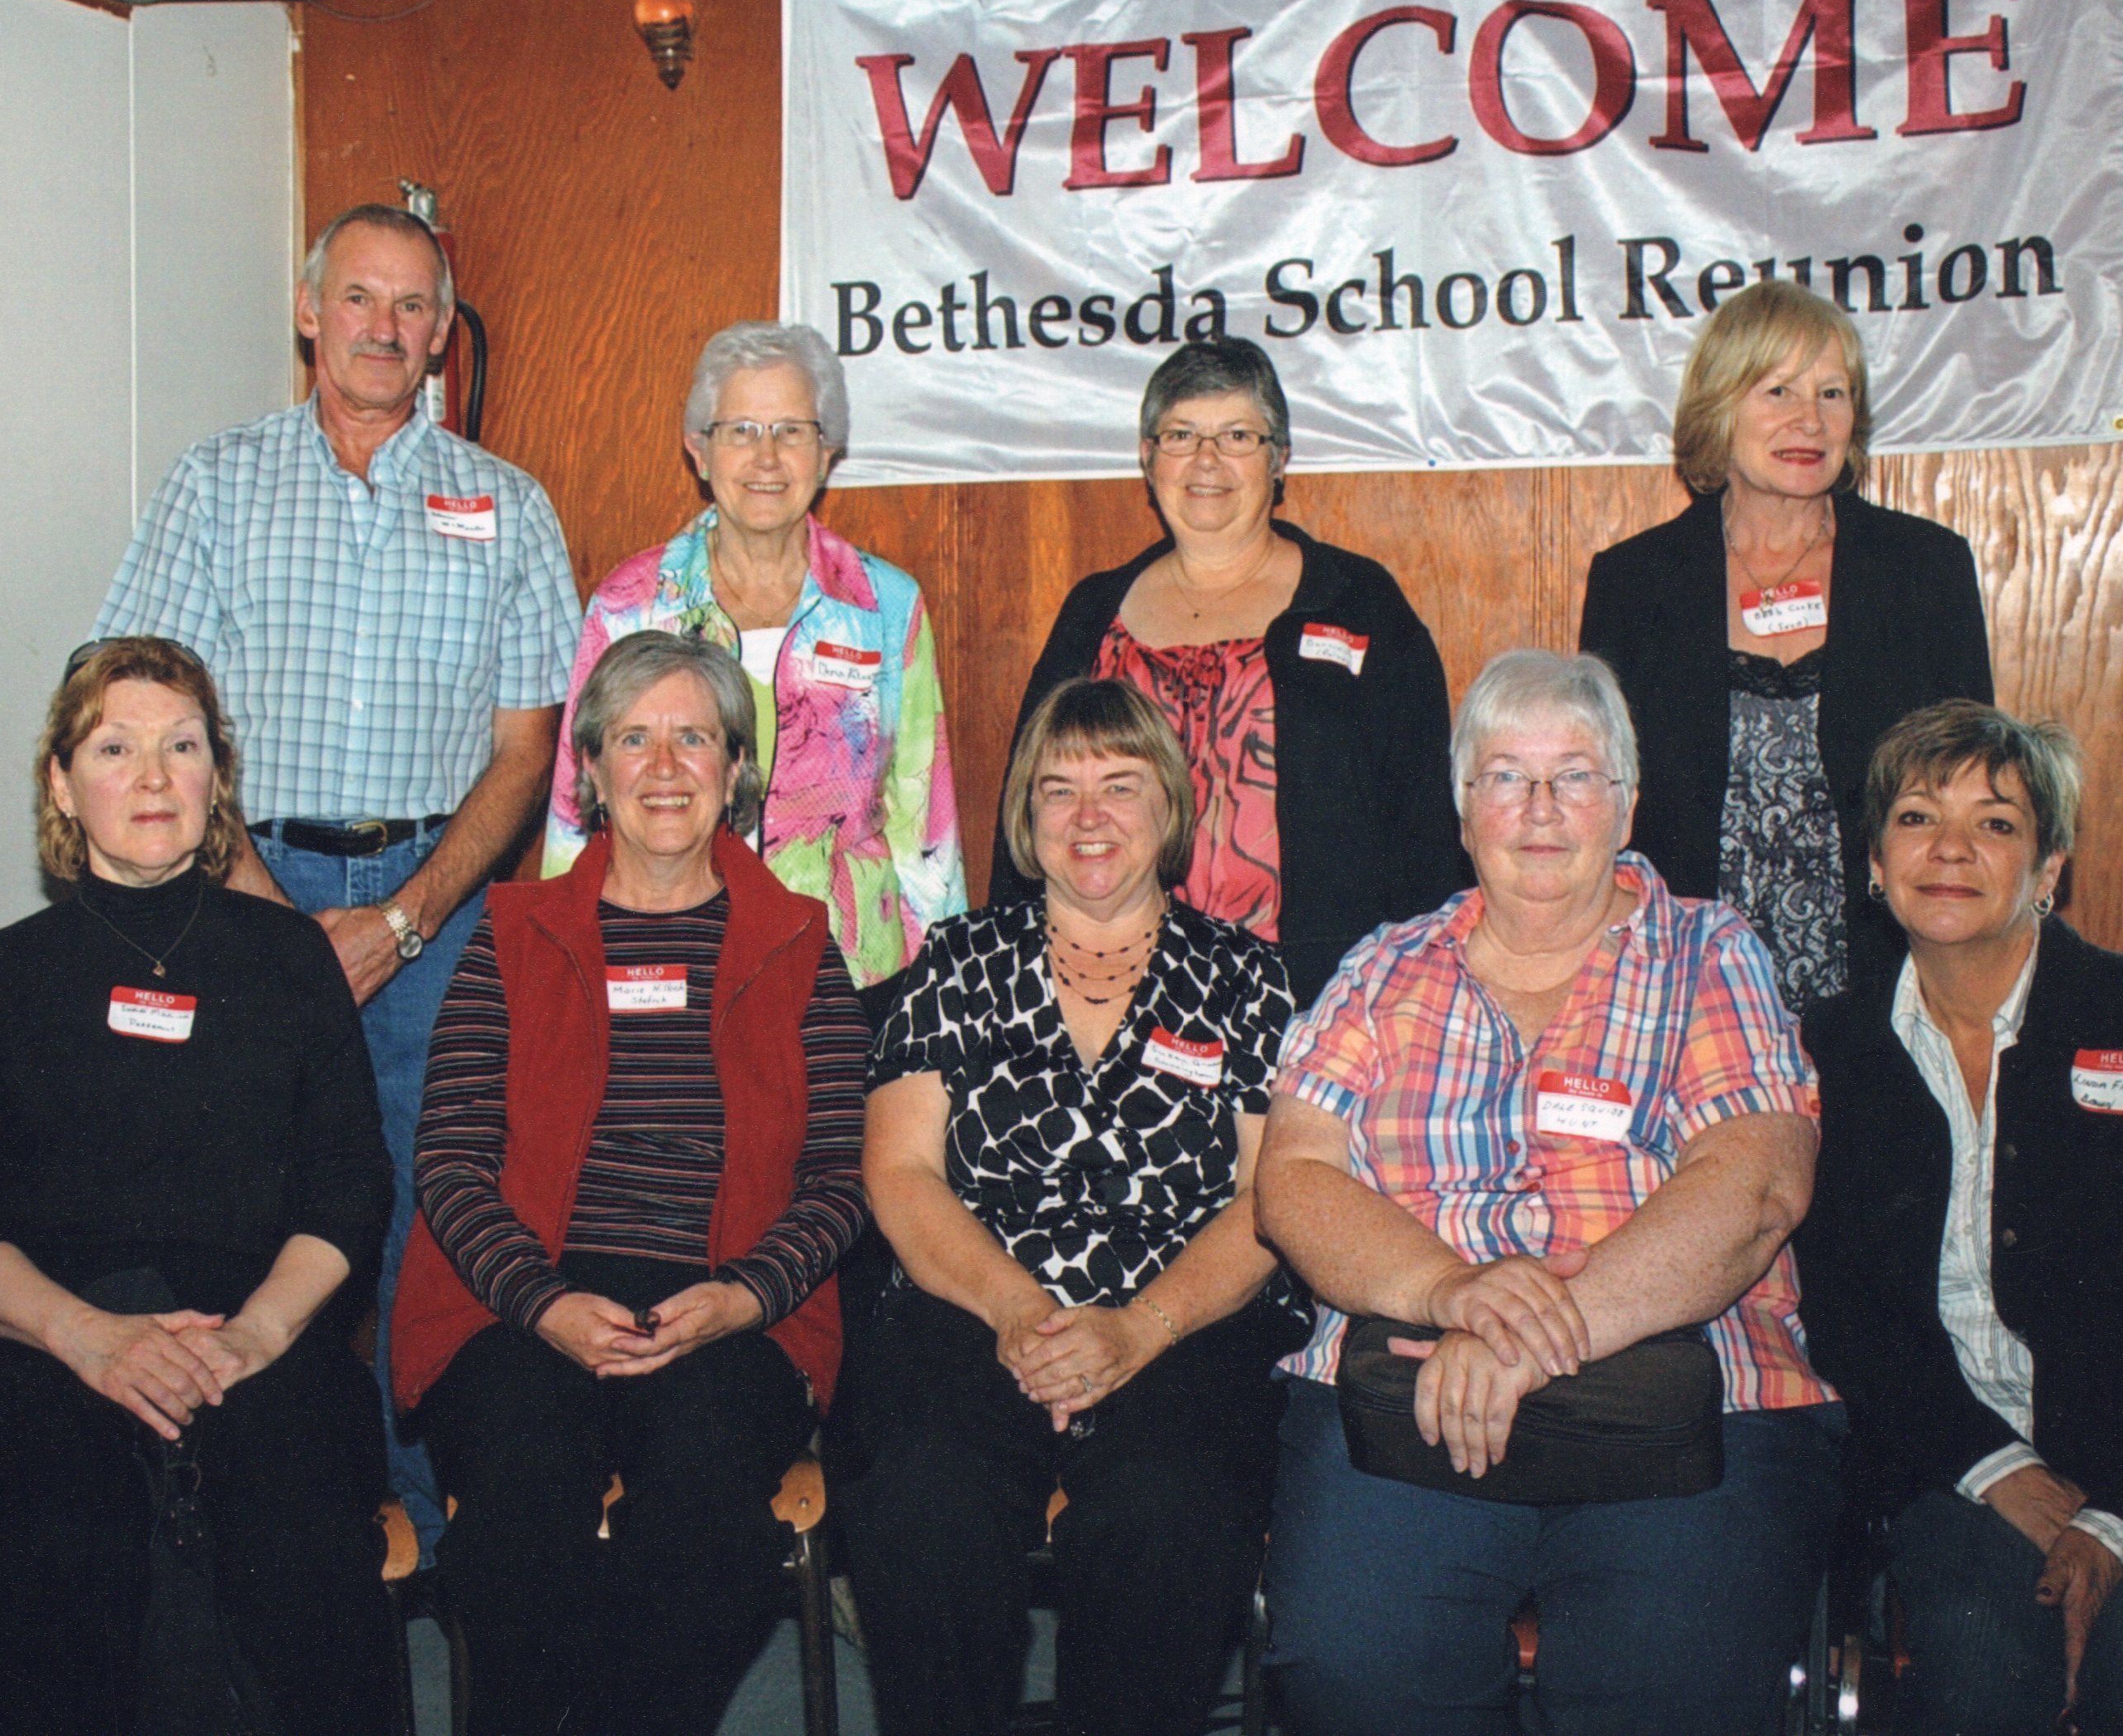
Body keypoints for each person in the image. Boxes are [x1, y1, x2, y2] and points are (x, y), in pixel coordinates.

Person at [92, 200, 581, 1537]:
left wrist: (404, 922)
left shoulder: (509, 505)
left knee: (435, 1213)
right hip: (230, 887)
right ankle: (247, 1516)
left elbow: (526, 753)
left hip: (435, 900)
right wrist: (267, 914)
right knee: (235, 1203)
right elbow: (137, 708)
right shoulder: (215, 482)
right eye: (357, 298)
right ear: (309, 312)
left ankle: (410, 1512)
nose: (383, 326)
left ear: (442, 334)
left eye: (412, 305)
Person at [1253, 649, 1843, 1736]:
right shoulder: (1381, 968)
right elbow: (1293, 1177)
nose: (1538, 808)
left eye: (1573, 776)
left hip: (1687, 1383)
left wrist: (1533, 1329)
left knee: (1667, 1682)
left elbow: (1756, 1183)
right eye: (1504, 777)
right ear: (1461, 809)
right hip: (1413, 1380)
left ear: (1625, 803)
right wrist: (1453, 1292)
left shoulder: (1709, 952)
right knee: (1357, 1663)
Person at [0, 636, 395, 1734]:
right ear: (60, 782)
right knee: (60, 1538)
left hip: (256, 1336)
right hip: (45, 1344)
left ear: (217, 778)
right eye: (114, 748)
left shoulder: (292, 961)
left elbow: (349, 1184)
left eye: (182, 746)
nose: (153, 776)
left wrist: (254, 1337)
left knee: (298, 1540)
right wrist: (87, 1338)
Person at [390, 630, 868, 1736]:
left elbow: (839, 1174)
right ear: (592, 770)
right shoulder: (511, 932)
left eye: (692, 738)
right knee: (517, 1507)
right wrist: (545, 1303)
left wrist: (745, 1296)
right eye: (633, 738)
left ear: (735, 770)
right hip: (523, 1297)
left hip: (730, 1301)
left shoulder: (801, 941)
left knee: (707, 1521)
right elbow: (450, 1156)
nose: (663, 766)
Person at [841, 676, 1309, 1736]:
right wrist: (1017, 1311)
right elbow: (901, 1173)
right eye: (1059, 789)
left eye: (1120, 785)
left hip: (1186, 1315)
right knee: (924, 1502)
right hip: (973, 1302)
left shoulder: (1249, 979)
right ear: (1026, 814)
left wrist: (1140, 1327)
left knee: (1165, 1511)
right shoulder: (958, 963)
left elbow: (1272, 1196)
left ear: (1170, 806)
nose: (1089, 816)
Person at [1793, 701, 2123, 1736]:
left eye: (1995, 823)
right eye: (1917, 818)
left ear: (2050, 866)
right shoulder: (1829, 1052)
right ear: (1875, 863)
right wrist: (2000, 1471)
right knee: (1980, 1658)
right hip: (1956, 1461)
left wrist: (2119, 1520)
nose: (1950, 850)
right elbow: (1843, 1312)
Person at [995, 336, 1464, 1006]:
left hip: (1318, 1002)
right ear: (1146, 456)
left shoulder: (1358, 603)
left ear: (1279, 458)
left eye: (1237, 435)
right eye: (1180, 435)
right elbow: (1028, 815)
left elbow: (1422, 830)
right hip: (1112, 995)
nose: (1206, 459)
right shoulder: (1092, 614)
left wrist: (1417, 997)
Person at [1581, 277, 1993, 1014]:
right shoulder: (1634, 582)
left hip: (1889, 982)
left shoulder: (1923, 569)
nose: (1809, 420)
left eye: (1832, 393)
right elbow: (1605, 799)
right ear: (1719, 407)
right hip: (1684, 983)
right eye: (1777, 391)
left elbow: (1971, 787)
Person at [547, 320, 963, 995]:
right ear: (699, 451)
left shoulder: (884, 605)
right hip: (673, 966)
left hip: (850, 973)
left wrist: (938, 995)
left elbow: (925, 826)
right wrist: (566, 970)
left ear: (825, 453)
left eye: (791, 431)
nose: (766, 457)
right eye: (740, 430)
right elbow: (577, 805)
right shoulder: (630, 604)